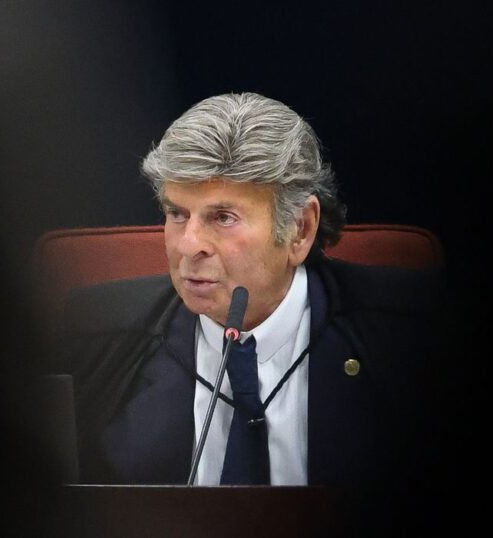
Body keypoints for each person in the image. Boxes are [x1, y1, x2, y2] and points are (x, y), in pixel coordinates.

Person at [60, 93, 446, 495]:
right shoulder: (95, 336)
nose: (188, 245)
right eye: (177, 214)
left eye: (222, 218)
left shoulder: (412, 331)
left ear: (300, 229)